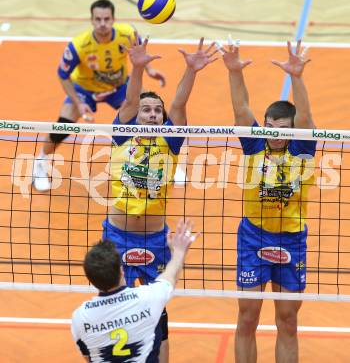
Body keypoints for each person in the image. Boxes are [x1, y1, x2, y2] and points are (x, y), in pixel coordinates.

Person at [102, 34, 217, 362]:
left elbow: (179, 106)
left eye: (157, 111)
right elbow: (128, 102)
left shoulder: (170, 141)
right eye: (146, 110)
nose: (151, 114)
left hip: (154, 239)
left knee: (158, 314)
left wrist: (191, 71)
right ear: (136, 115)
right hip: (116, 237)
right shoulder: (123, 136)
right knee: (115, 309)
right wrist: (136, 68)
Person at [222, 39, 316, 363]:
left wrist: (298, 77)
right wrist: (234, 71)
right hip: (253, 237)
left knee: (287, 321)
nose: (274, 133)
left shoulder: (302, 149)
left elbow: (306, 117)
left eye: (281, 128)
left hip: (292, 239)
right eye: (269, 126)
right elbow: (240, 109)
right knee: (247, 318)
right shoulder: (253, 146)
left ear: (293, 130)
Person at [32, 0, 165, 192]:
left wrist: (150, 69)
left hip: (118, 87)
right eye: (98, 19)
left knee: (151, 113)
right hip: (85, 90)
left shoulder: (127, 34)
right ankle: (40, 162)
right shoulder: (79, 45)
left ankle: (165, 161)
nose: (102, 23)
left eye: (106, 19)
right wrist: (78, 103)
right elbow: (63, 75)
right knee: (63, 124)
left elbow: (139, 54)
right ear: (92, 20)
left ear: (113, 19)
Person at [71, 219, 198, 362]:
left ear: (91, 279)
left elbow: (89, 358)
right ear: (121, 270)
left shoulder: (80, 317)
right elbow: (171, 275)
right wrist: (179, 251)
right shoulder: (148, 299)